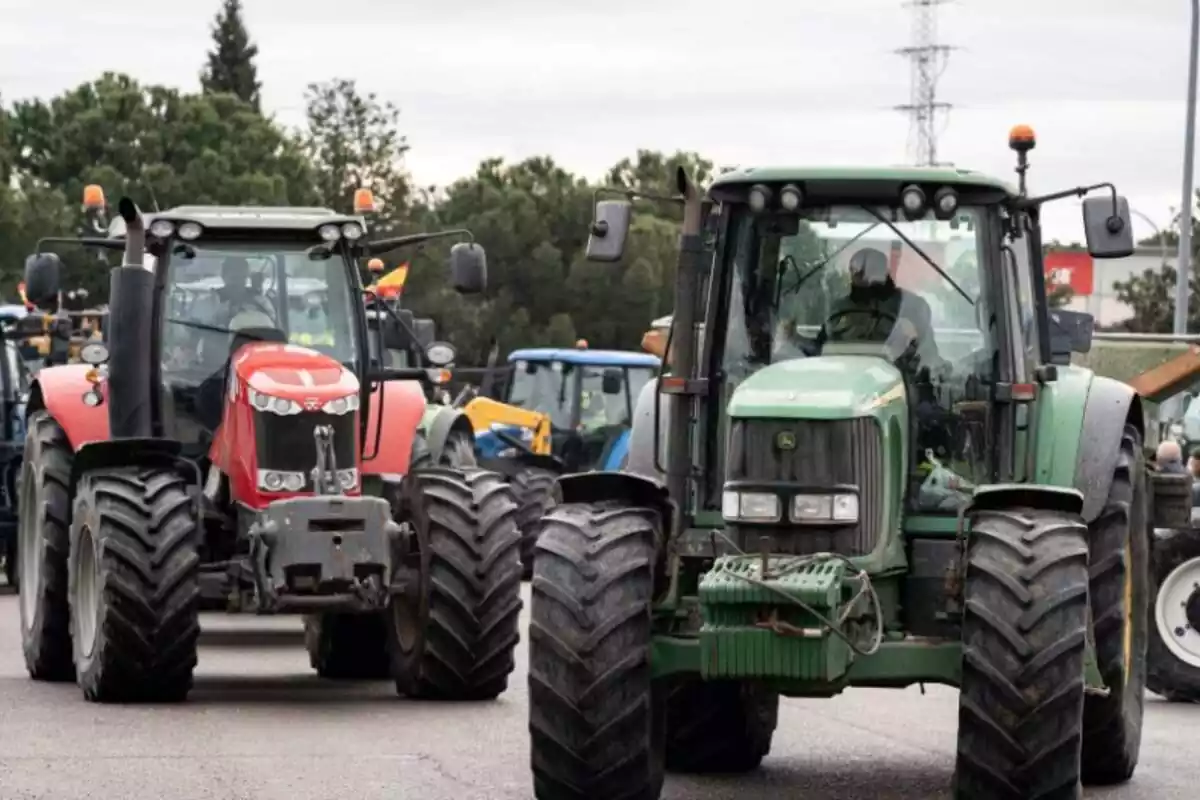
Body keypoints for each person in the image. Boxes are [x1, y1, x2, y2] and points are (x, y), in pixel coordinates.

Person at [816, 247, 941, 367]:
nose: (865, 277)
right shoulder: (838, 309)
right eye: (857, 272)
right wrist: (797, 339)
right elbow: (817, 349)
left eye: (871, 270)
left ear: (885, 272)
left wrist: (912, 338)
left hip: (899, 380)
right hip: (841, 378)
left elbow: (928, 357)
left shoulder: (912, 307)